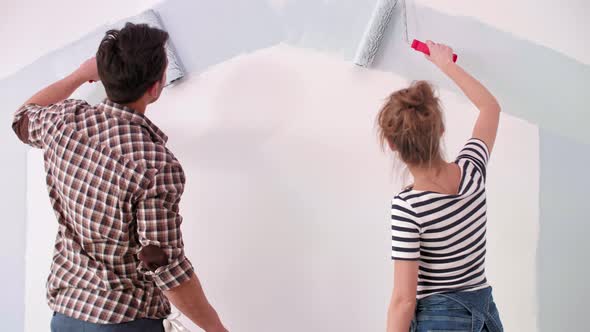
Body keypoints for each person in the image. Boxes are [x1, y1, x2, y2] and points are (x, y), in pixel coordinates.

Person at [11, 23, 228, 332]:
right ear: (155, 87)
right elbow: (163, 266)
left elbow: (22, 118)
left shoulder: (63, 121)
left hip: (66, 316)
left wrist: (78, 75)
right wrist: (217, 330)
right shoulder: (155, 164)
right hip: (124, 321)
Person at [378, 41, 503, 332]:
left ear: (392, 144)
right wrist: (446, 64)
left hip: (441, 321)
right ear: (441, 131)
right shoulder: (472, 170)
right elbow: (490, 108)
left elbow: (404, 301)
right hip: (485, 318)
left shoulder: (408, 208)